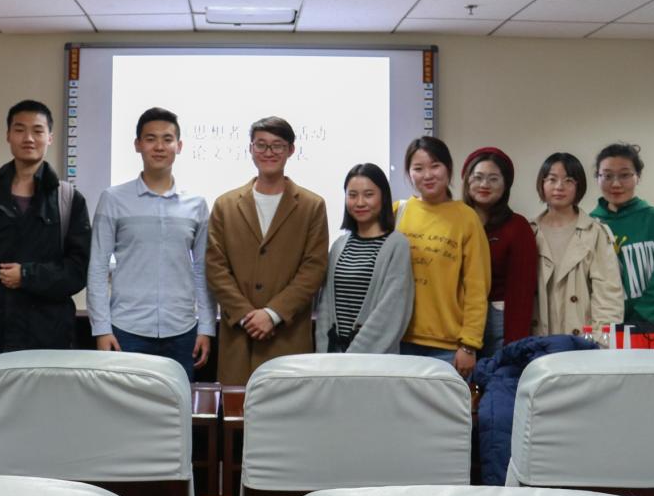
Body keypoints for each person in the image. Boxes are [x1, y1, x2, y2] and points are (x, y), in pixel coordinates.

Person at [0, 100, 91, 358]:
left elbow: (77, 271)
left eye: (38, 131)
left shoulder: (68, 199)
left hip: (51, 338)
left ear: (50, 137)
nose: (28, 138)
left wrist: (27, 275)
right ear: (8, 135)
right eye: (19, 130)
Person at [88, 107, 213, 380]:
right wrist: (102, 329)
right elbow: (97, 267)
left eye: (167, 139)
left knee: (177, 405)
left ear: (179, 146)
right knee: (125, 405)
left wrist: (206, 327)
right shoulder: (113, 199)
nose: (159, 146)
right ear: (137, 144)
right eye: (150, 138)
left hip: (182, 332)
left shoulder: (196, 205)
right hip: (126, 330)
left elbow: (202, 270)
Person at [206, 116, 328, 385]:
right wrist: (245, 315)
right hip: (239, 338)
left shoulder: (312, 206)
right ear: (250, 149)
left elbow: (314, 269)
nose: (268, 152)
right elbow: (215, 268)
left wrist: (272, 314)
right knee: (237, 409)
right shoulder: (225, 205)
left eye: (277, 145)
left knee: (288, 408)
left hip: (287, 337)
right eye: (261, 145)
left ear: (291, 150)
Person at [395, 136, 490, 379]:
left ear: (448, 168)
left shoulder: (466, 218)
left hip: (448, 348)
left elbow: (477, 287)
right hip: (398, 342)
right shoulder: (397, 212)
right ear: (409, 173)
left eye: (435, 166)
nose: (427, 175)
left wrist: (469, 345)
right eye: (418, 168)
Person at [315, 163, 413, 354]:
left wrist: (352, 358)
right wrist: (325, 354)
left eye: (369, 194)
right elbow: (325, 306)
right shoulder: (339, 245)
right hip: (333, 358)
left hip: (374, 360)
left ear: (383, 197)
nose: (359, 203)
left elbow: (390, 312)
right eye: (352, 195)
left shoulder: (397, 245)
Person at [531, 152, 624, 336]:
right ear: (542, 183)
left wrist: (601, 342)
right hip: (536, 340)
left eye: (568, 180)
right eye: (552, 179)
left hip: (582, 341)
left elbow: (608, 297)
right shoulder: (529, 232)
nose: (559, 187)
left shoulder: (595, 232)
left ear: (578, 186)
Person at [461, 147, 538, 357]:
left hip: (498, 321)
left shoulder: (517, 227)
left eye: (493, 179)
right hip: (457, 319)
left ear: (506, 184)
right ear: (467, 180)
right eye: (478, 177)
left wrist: (514, 346)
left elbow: (522, 291)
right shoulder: (455, 222)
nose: (484, 184)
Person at [590, 142, 654, 323]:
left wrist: (640, 320)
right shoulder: (590, 225)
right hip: (603, 326)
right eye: (607, 176)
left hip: (650, 326)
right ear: (597, 178)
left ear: (638, 176)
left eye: (625, 175)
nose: (616, 184)